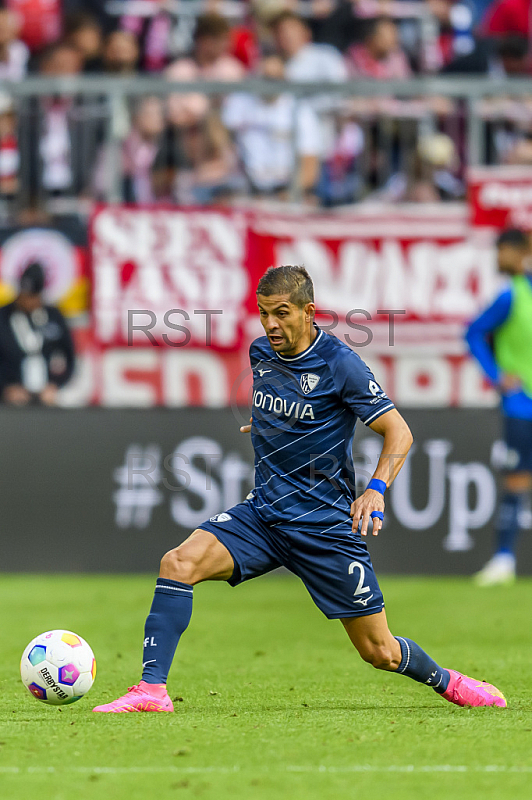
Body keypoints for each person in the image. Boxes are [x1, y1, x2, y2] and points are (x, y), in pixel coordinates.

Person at [94, 265, 506, 713]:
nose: (271, 324)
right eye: (263, 313)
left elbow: (399, 432)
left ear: (309, 312)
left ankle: (450, 681)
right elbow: (290, 409)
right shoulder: (260, 354)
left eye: (281, 313)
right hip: (264, 516)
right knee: (178, 562)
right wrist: (273, 425)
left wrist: (376, 490)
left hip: (323, 528)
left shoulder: (340, 364)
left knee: (379, 652)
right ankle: (152, 691)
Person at [466, 228, 532, 585]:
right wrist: (496, 375)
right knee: (517, 480)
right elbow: (473, 332)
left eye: (502, 250)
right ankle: (504, 559)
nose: (497, 257)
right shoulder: (512, 295)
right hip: (522, 406)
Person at [0, 262, 75, 406]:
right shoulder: (3, 317)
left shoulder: (53, 317)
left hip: (47, 397)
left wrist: (56, 384)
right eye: (24, 295)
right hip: (10, 399)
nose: (27, 302)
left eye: (32, 297)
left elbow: (69, 355)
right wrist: (6, 387)